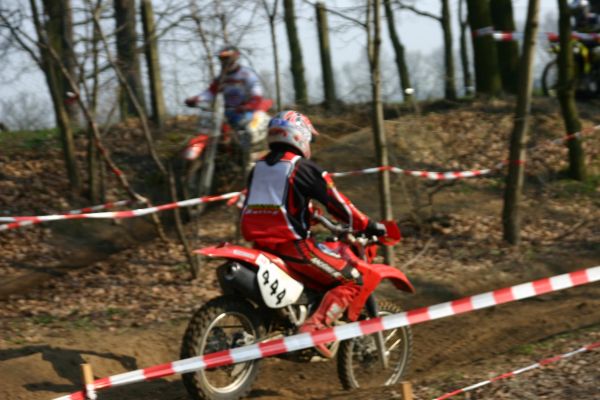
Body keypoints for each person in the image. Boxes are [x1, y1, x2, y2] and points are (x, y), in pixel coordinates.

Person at [240, 110, 386, 358]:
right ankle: (314, 328)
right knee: (353, 279)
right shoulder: (302, 168)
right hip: (292, 247)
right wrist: (367, 224)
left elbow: (278, 201)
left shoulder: (258, 168)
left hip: (259, 247)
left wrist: (310, 215)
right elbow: (338, 204)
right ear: (300, 135)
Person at [185, 45, 272, 142]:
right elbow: (210, 92)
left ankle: (244, 149)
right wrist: (196, 99)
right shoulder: (221, 77)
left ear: (235, 58)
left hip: (246, 110)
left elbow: (257, 92)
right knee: (215, 129)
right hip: (227, 111)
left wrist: (249, 105)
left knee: (243, 129)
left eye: (227, 58)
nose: (224, 61)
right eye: (222, 58)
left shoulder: (247, 74)